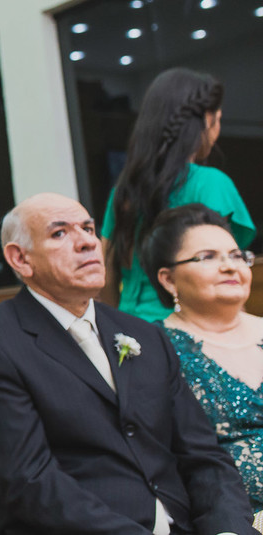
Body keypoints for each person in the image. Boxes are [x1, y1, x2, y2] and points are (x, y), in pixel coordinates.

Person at [0, 192, 255, 535]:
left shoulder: (145, 336)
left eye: (88, 229)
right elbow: (29, 482)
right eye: (59, 233)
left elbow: (205, 456)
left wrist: (227, 530)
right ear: (20, 258)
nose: (87, 242)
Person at [140, 204, 263, 526]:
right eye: (207, 257)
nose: (229, 266)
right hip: (230, 521)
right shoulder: (154, 349)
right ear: (168, 279)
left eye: (237, 255)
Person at [102, 67, 255, 322]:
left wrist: (116, 328)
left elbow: (107, 274)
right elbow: (226, 278)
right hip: (191, 327)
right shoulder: (210, 184)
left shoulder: (123, 191)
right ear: (206, 120)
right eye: (218, 118)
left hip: (129, 330)